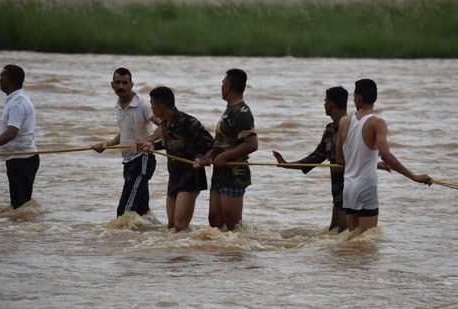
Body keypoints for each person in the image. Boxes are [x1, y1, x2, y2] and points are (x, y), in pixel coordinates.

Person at [335, 78, 432, 234]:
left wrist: (372, 163)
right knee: (367, 244)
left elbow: (340, 160)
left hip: (349, 188)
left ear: (358, 98)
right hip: (366, 187)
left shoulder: (344, 121)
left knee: (352, 242)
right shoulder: (377, 123)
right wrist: (414, 177)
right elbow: (386, 155)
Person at [272, 86, 349, 233]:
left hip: (351, 191)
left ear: (332, 103)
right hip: (338, 193)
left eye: (325, 100)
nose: (324, 104)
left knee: (344, 234)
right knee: (335, 234)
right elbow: (315, 158)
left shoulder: (353, 127)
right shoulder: (329, 130)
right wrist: (286, 164)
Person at [137, 86, 214, 232]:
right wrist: (153, 145)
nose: (151, 108)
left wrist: (200, 159)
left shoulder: (189, 122)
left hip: (191, 176)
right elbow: (168, 143)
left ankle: (192, 250)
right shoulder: (165, 123)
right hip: (174, 177)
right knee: (171, 226)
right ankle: (180, 253)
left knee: (180, 225)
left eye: (152, 105)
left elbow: (212, 145)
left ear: (161, 106)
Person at [92, 67, 161, 217]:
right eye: (117, 82)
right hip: (128, 161)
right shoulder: (118, 105)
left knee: (124, 213)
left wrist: (148, 141)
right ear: (112, 85)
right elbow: (126, 132)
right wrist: (107, 144)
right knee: (142, 213)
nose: (121, 86)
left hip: (142, 159)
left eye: (125, 83)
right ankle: (147, 238)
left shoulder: (142, 104)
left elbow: (164, 125)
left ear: (131, 85)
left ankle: (120, 237)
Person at [195, 68, 258, 231]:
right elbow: (221, 143)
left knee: (232, 224)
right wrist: (205, 158)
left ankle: (236, 256)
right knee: (214, 220)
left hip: (234, 173)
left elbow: (251, 144)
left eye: (222, 83)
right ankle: (222, 256)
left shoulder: (242, 112)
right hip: (220, 173)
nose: (221, 87)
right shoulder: (228, 110)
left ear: (228, 87)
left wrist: (224, 157)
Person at [0, 65, 40, 209]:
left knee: (20, 207)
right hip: (19, 159)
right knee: (18, 208)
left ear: (10, 80)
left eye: (1, 76)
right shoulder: (16, 100)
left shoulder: (18, 102)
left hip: (22, 159)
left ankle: (22, 229)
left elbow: (12, 132)